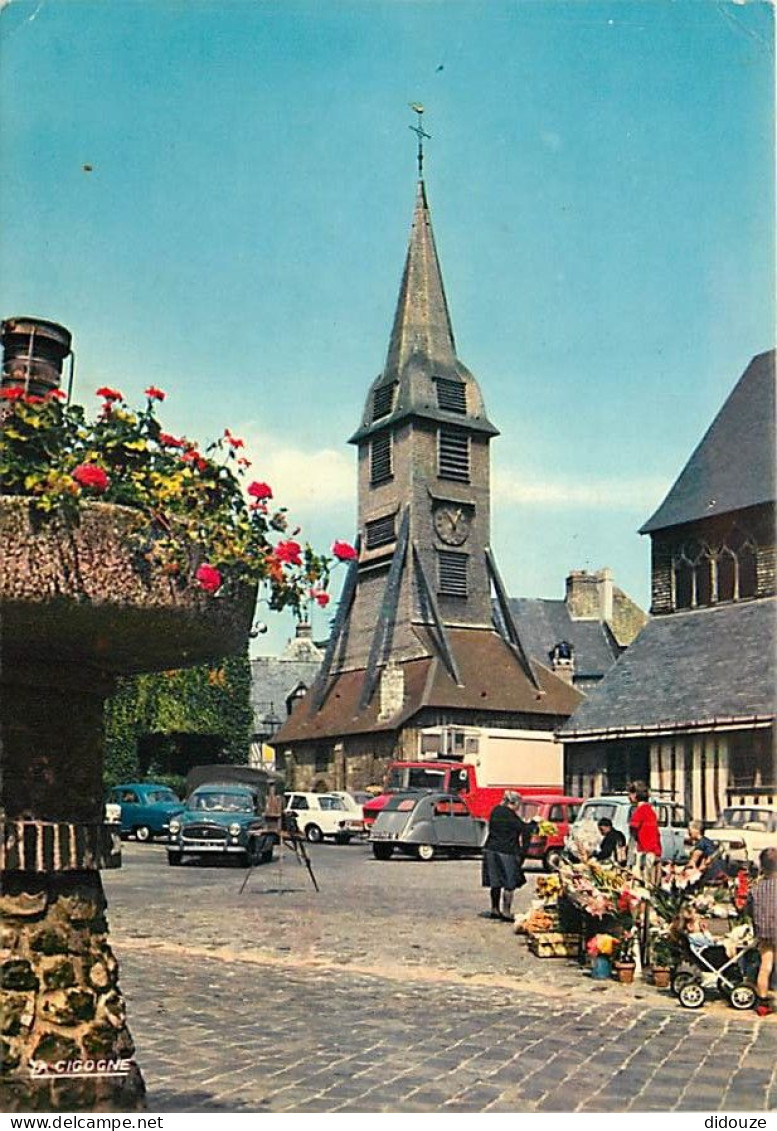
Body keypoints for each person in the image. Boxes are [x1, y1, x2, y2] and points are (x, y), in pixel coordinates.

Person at [481, 790, 536, 922]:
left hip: (491, 849)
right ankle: (506, 911)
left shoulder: (495, 811)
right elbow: (522, 828)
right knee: (509, 883)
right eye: (518, 804)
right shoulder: (510, 815)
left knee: (495, 882)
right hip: (506, 851)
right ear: (514, 803)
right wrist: (533, 824)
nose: (519, 807)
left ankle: (495, 909)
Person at [748, 846, 777, 1017]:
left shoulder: (756, 888)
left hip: (765, 932)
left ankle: (762, 1002)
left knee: (765, 966)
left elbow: (748, 909)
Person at [627, 781, 661, 883]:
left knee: (640, 882)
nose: (628, 797)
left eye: (629, 794)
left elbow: (633, 834)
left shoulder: (639, 811)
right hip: (654, 850)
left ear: (635, 795)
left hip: (644, 852)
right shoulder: (650, 810)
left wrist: (629, 856)